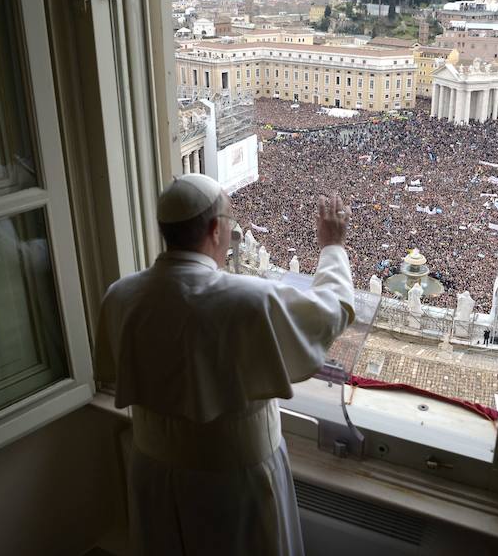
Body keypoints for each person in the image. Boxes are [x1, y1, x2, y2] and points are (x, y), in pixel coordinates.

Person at [93, 174, 355, 555]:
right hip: (233, 485)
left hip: (151, 473)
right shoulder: (248, 299)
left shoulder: (120, 295)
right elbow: (332, 312)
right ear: (216, 229)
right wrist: (332, 247)